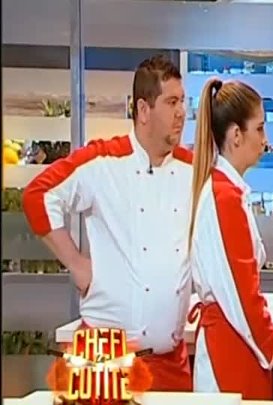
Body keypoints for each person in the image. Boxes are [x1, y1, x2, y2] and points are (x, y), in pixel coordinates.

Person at [22, 55, 195, 391]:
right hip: (103, 361)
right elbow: (38, 196)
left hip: (170, 363)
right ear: (143, 110)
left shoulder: (193, 169)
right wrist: (76, 264)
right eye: (171, 102)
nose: (181, 113)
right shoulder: (103, 161)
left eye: (183, 102)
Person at [186, 78, 273, 398]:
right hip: (230, 355)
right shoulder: (224, 198)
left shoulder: (227, 192)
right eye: (259, 128)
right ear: (236, 135)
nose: (266, 140)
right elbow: (243, 299)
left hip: (236, 345)